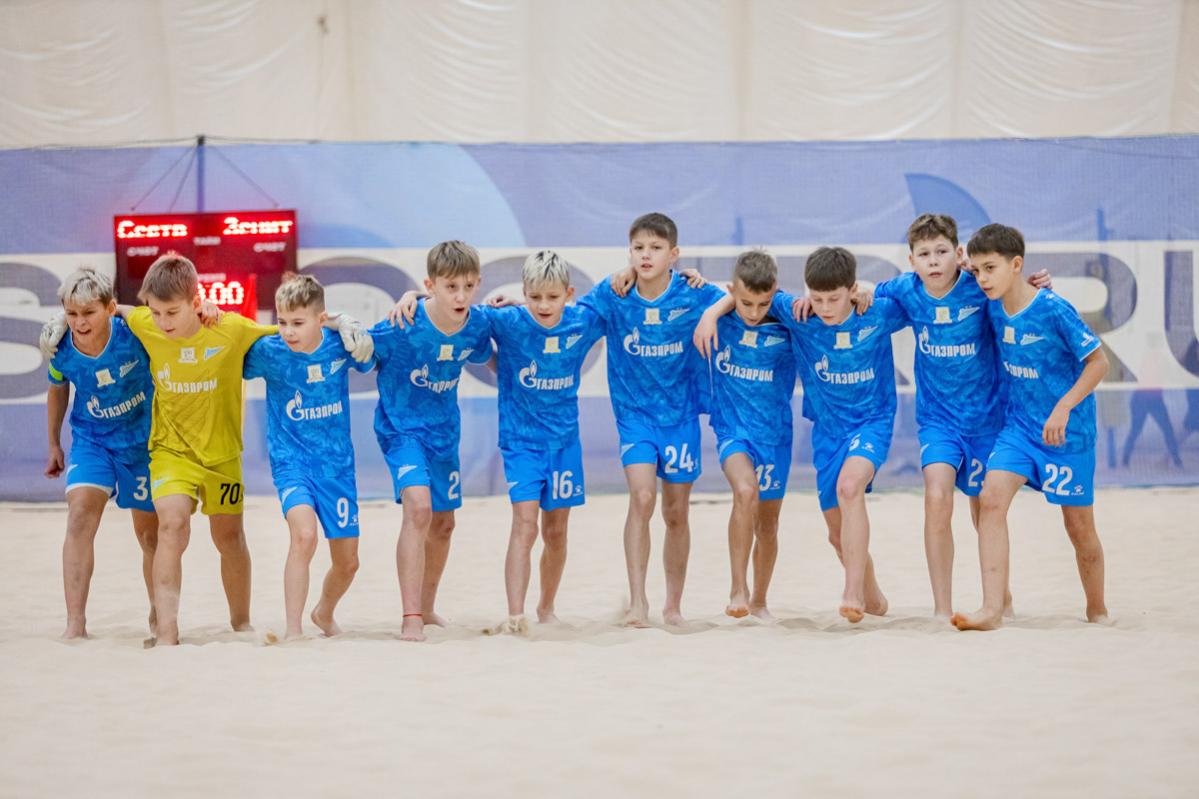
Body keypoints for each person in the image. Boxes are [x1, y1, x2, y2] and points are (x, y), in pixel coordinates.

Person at [40, 254, 371, 645]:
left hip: (222, 457)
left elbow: (291, 328)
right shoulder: (145, 323)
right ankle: (167, 633)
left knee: (229, 539)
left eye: (172, 313)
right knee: (171, 525)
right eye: (156, 312)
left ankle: (240, 623)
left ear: (196, 303)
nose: (163, 322)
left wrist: (338, 320)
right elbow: (120, 310)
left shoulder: (231, 328)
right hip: (170, 454)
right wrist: (64, 317)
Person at [697, 246, 908, 622]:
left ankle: (852, 593)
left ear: (850, 290)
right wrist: (712, 312)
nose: (824, 308)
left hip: (871, 422)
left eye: (834, 299)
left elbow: (924, 297)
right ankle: (873, 597)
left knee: (849, 489)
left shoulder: (877, 313)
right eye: (818, 298)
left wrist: (870, 291)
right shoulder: (798, 314)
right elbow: (746, 294)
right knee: (836, 534)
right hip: (827, 433)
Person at [953, 223, 1109, 631]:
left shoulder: (1053, 308)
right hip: (1019, 430)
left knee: (1079, 529)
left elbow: (1099, 363)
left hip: (1067, 434)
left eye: (991, 268)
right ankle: (993, 608)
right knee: (990, 498)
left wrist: (1063, 408)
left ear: (1016, 264)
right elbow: (951, 278)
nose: (983, 278)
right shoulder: (991, 303)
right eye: (978, 271)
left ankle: (1097, 611)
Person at [578, 212, 725, 626]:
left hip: (680, 418)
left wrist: (712, 312)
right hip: (635, 417)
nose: (646, 255)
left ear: (673, 254)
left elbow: (737, 295)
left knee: (676, 512)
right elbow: (564, 316)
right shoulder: (615, 293)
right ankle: (638, 602)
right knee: (642, 497)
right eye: (638, 248)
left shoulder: (692, 292)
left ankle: (673, 606)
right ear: (629, 252)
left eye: (656, 248)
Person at [371, 241, 493, 642]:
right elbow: (361, 351)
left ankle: (425, 608)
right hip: (401, 431)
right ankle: (409, 617)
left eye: (468, 287)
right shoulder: (402, 323)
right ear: (431, 286)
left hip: (444, 434)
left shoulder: (476, 325)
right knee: (419, 509)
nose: (460, 296)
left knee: (444, 524)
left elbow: (492, 350)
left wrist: (509, 305)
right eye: (451, 287)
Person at [479, 251, 605, 632]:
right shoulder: (507, 321)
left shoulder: (582, 321)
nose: (543, 305)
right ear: (524, 292)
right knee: (525, 525)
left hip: (565, 443)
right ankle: (515, 615)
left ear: (569, 294)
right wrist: (411, 297)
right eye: (534, 297)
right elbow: (456, 313)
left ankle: (546, 608)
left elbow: (622, 293)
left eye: (552, 297)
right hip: (521, 443)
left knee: (556, 532)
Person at [243, 275, 373, 639]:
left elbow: (372, 354)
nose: (288, 331)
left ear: (321, 319)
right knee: (304, 536)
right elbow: (229, 349)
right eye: (282, 321)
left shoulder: (340, 345)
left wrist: (348, 324)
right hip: (291, 464)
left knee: (348, 563)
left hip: (337, 469)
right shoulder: (268, 351)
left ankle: (323, 612)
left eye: (298, 322)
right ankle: (293, 630)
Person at [42, 268, 158, 639]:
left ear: (109, 308)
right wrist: (54, 443)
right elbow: (57, 389)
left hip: (142, 444)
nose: (79, 322)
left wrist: (121, 310)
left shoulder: (133, 334)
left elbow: (160, 323)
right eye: (72, 313)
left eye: (89, 312)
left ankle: (159, 616)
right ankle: (75, 624)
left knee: (150, 537)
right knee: (79, 517)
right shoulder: (59, 346)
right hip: (92, 441)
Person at [703, 250, 796, 621]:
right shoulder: (720, 316)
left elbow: (828, 309)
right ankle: (737, 588)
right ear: (731, 291)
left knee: (768, 526)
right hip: (733, 431)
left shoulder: (789, 321)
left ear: (774, 291)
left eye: (763, 303)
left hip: (775, 436)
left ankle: (759, 600)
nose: (754, 312)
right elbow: (669, 286)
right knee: (745, 491)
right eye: (745, 303)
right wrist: (712, 312)